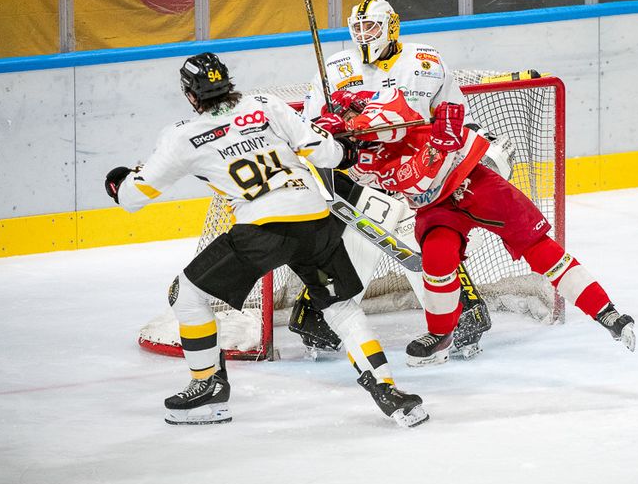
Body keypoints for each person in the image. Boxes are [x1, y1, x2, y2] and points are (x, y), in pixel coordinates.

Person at [104, 52, 428, 427]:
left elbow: (133, 196)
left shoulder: (182, 136)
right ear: (228, 82)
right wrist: (344, 146)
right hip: (315, 219)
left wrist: (118, 182)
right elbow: (329, 153)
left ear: (190, 95)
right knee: (340, 307)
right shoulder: (264, 104)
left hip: (263, 230)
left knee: (186, 294)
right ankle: (387, 390)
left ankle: (207, 385)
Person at [320, 86, 637, 366]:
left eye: (348, 118)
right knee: (436, 261)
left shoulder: (381, 101)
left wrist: (352, 126)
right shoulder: (362, 162)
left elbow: (392, 113)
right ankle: (441, 334)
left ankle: (606, 311)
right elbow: (414, 178)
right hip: (436, 206)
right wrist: (334, 142)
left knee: (537, 246)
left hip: (474, 180)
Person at [293, 0, 498, 358]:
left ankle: (463, 313)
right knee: (351, 242)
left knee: (424, 243)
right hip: (358, 172)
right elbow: (308, 127)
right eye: (357, 28)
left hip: (419, 173)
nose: (363, 35)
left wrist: (458, 143)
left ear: (391, 26)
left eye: (371, 27)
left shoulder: (426, 61)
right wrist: (325, 127)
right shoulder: (336, 68)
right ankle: (319, 318)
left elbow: (454, 115)